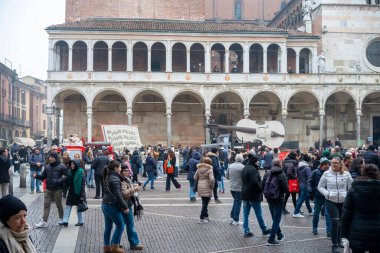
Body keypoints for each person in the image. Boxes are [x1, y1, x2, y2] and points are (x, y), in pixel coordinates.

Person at [341, 164, 380, 253]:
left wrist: (343, 234)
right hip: (377, 230)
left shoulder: (353, 189)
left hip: (356, 230)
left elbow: (346, 213)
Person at [318, 157, 353, 253]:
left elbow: (351, 186)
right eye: (332, 162)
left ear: (340, 164)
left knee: (341, 222)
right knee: (335, 222)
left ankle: (339, 240)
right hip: (330, 200)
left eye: (336, 163)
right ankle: (334, 245)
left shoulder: (346, 174)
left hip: (343, 201)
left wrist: (347, 195)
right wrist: (327, 193)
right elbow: (320, 186)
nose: (333, 164)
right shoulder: (326, 173)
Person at [241, 151, 271, 237]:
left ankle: (246, 231)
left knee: (245, 214)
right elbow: (254, 182)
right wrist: (260, 190)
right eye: (257, 161)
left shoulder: (245, 168)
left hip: (245, 194)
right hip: (253, 195)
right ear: (255, 161)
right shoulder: (253, 170)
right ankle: (264, 229)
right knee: (258, 213)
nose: (258, 162)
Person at [34, 152, 68, 228]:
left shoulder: (62, 167)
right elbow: (43, 177)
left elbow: (66, 177)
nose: (50, 158)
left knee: (59, 205)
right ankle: (44, 221)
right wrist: (36, 176)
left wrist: (59, 181)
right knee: (46, 205)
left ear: (55, 158)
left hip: (57, 189)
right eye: (49, 157)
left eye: (51, 157)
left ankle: (61, 219)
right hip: (48, 189)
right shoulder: (47, 167)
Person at [102, 160, 129, 253]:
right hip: (111, 205)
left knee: (108, 227)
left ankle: (106, 247)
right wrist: (125, 207)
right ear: (116, 168)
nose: (121, 169)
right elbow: (118, 195)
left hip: (105, 205)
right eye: (120, 167)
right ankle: (114, 246)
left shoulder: (108, 176)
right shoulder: (115, 179)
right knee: (120, 225)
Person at [262, 159, 288, 246]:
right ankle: (271, 239)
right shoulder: (281, 174)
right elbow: (285, 189)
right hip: (278, 199)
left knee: (275, 218)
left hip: (269, 198)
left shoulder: (267, 173)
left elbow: (262, 186)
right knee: (276, 219)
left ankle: (279, 235)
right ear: (280, 165)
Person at [119, 165, 144, 251]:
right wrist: (135, 189)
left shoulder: (127, 179)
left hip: (125, 204)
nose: (127, 172)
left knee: (122, 225)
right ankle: (133, 243)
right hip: (124, 205)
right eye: (125, 171)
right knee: (128, 224)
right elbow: (124, 193)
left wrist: (134, 186)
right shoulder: (121, 180)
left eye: (128, 171)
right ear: (121, 171)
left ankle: (116, 243)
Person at [58, 160, 86, 227]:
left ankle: (80, 221)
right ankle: (65, 221)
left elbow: (83, 184)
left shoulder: (81, 171)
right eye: (71, 164)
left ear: (76, 164)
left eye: (73, 164)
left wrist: (82, 195)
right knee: (68, 206)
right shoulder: (70, 171)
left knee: (79, 207)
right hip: (71, 191)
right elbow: (67, 181)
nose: (72, 165)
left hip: (78, 192)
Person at [308, 157, 331, 236]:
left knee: (327, 214)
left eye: (328, 164)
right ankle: (314, 227)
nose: (327, 165)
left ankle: (329, 230)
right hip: (318, 196)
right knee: (316, 213)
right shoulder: (315, 172)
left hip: (327, 196)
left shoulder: (330, 173)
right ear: (321, 165)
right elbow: (310, 182)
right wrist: (310, 191)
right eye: (325, 164)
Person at [226, 154, 244, 225]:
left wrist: (232, 180)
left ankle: (232, 217)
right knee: (238, 203)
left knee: (236, 202)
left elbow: (227, 176)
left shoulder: (230, 166)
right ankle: (236, 219)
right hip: (239, 188)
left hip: (232, 187)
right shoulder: (243, 167)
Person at [194, 157, 214, 224]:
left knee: (204, 202)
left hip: (200, 186)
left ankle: (206, 216)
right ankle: (201, 218)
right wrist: (212, 186)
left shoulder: (199, 168)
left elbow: (195, 177)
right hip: (207, 186)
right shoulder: (210, 169)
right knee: (205, 204)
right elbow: (211, 179)